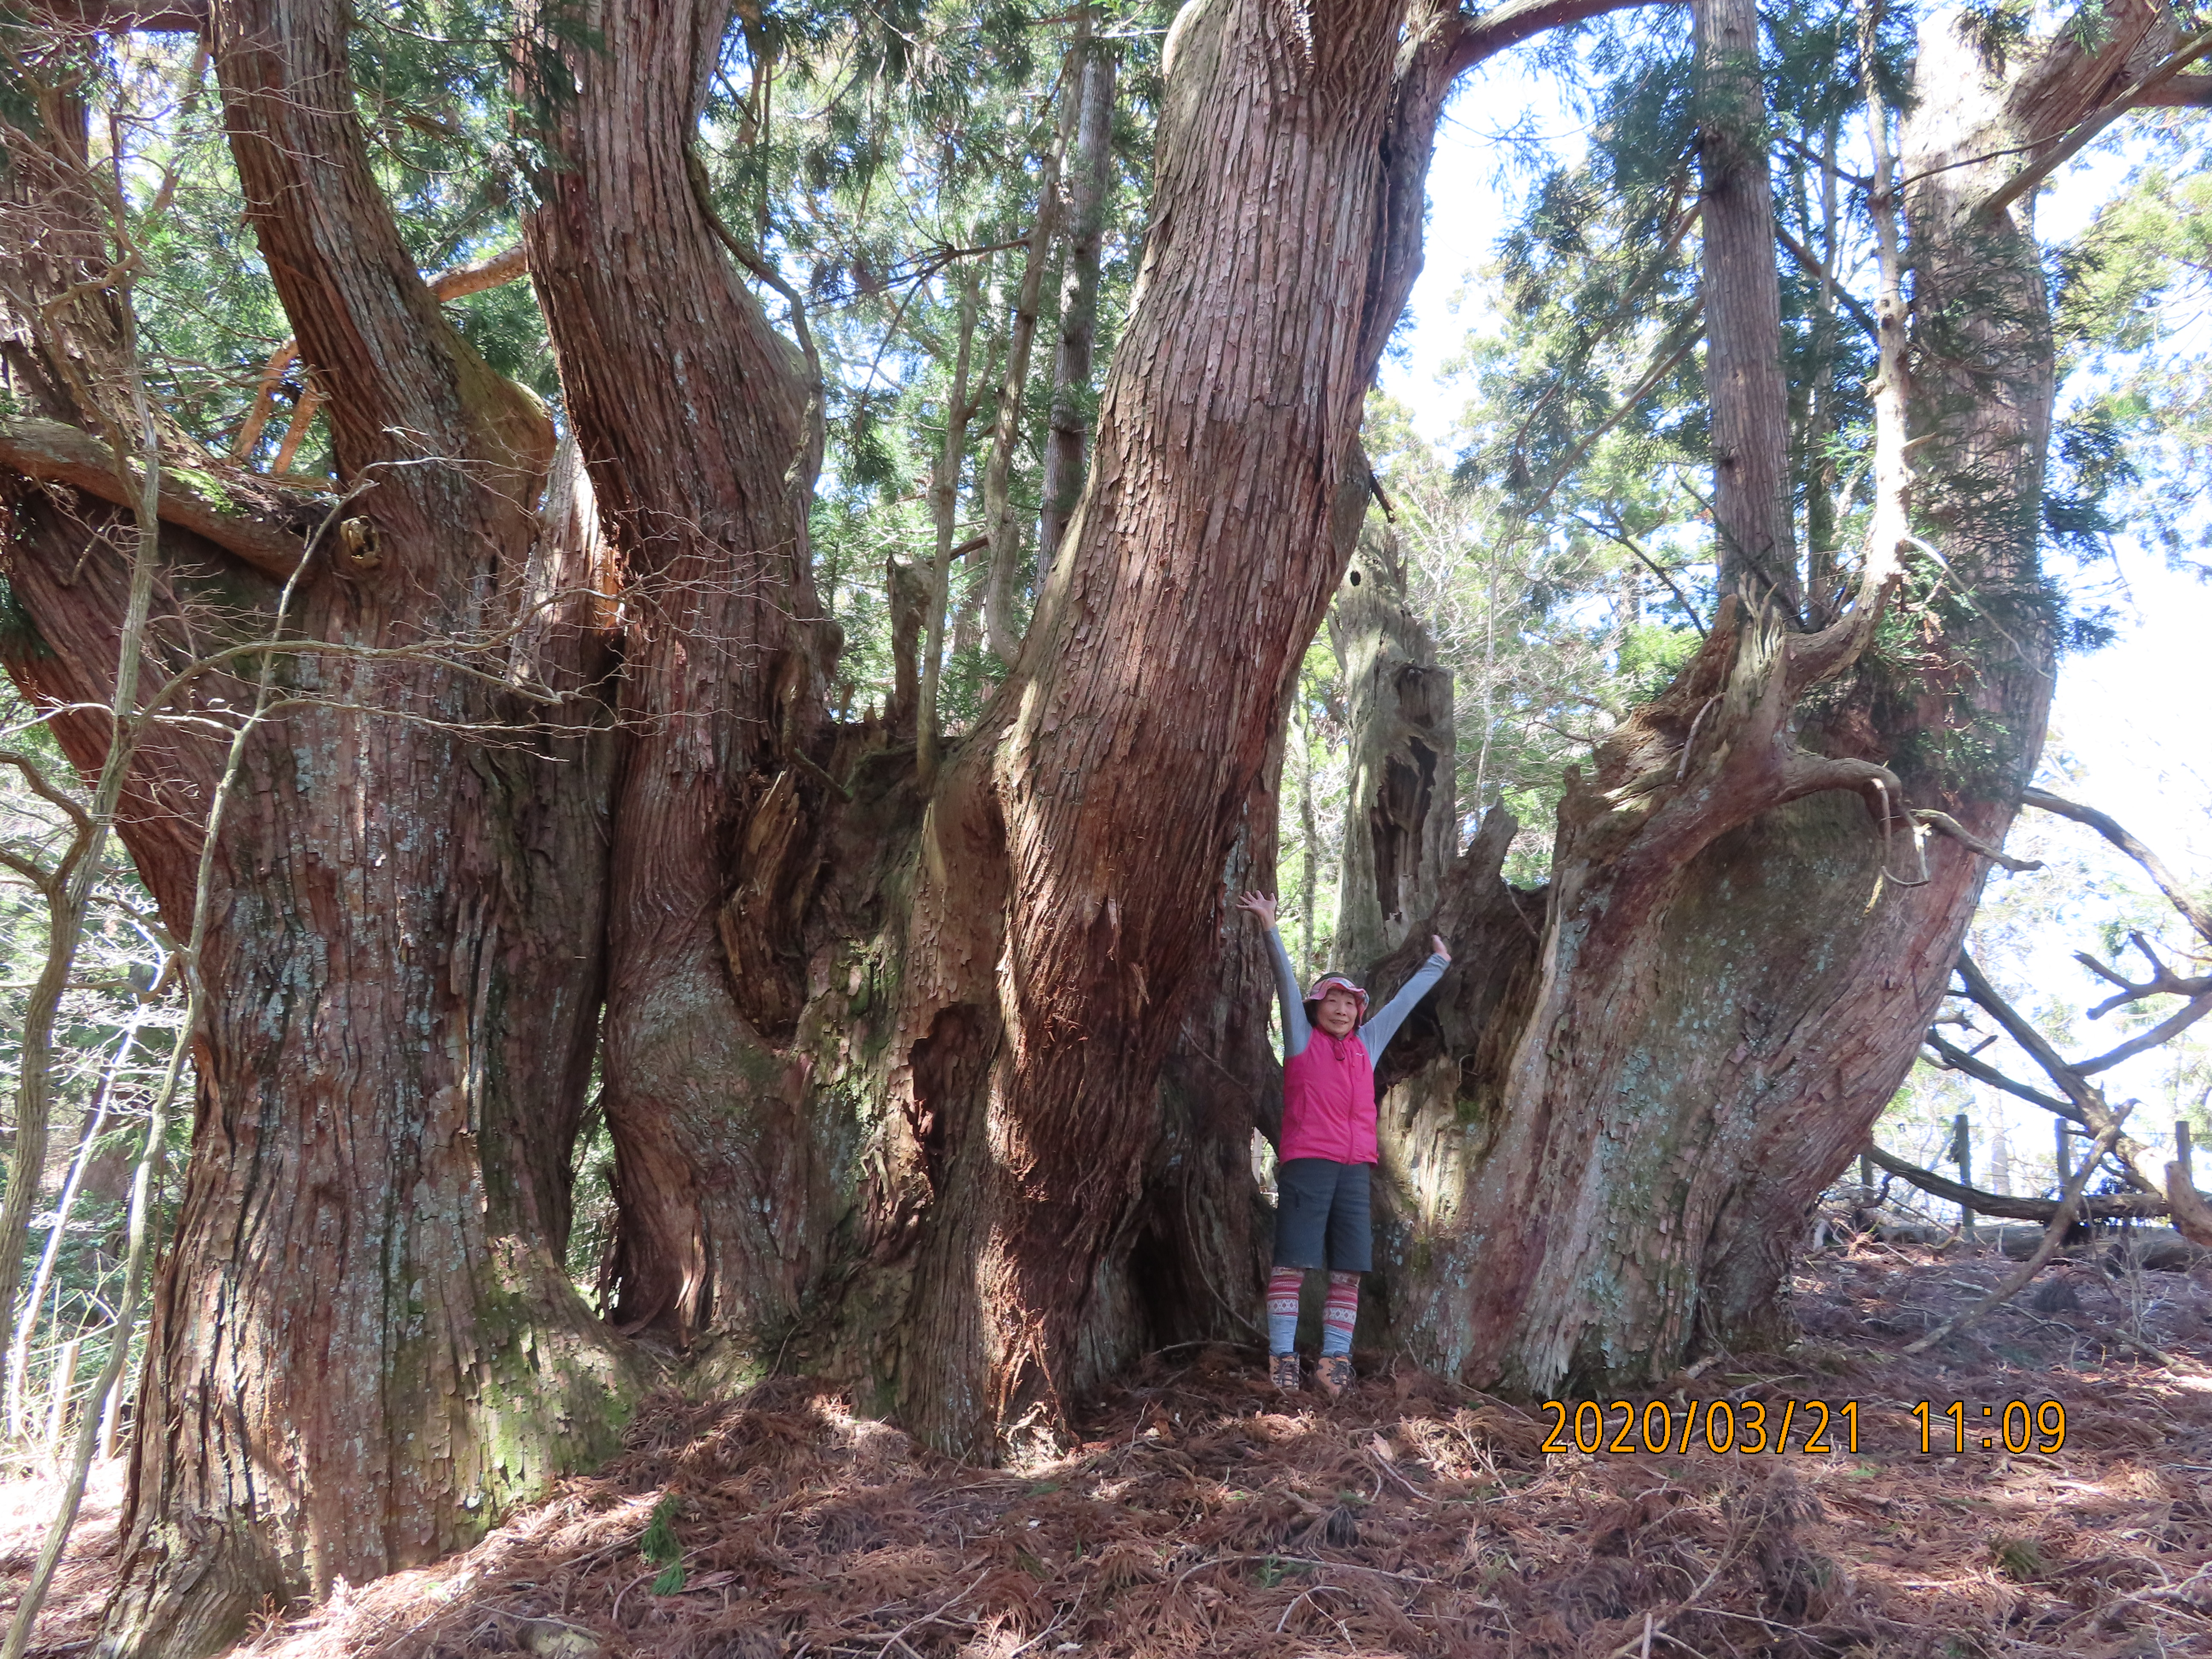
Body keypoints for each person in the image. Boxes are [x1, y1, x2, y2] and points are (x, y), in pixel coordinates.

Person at [1235, 892, 1449, 1398]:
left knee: (1348, 1268)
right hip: (1308, 1163)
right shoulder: (1302, 1041)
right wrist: (1269, 926)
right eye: (1332, 1001)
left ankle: (1335, 1360)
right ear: (1316, 1008)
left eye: (1350, 1003)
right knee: (1293, 1261)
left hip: (1356, 1169)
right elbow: (1287, 987)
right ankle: (1283, 1356)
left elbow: (1402, 1004)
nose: (1341, 1009)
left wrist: (1438, 965)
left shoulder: (1367, 1046)